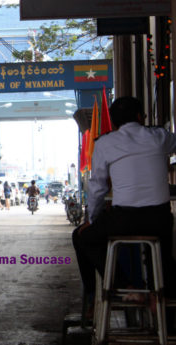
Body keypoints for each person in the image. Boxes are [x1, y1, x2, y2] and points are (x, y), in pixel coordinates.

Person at [73, 96, 176, 309]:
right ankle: (163, 292)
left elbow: (97, 188)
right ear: (140, 117)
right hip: (160, 219)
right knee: (162, 241)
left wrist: (92, 219)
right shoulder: (159, 137)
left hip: (124, 220)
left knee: (82, 237)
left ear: (113, 121)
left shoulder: (105, 143)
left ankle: (123, 288)